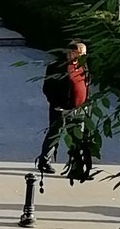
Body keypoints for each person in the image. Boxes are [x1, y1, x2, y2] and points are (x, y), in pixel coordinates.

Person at [39, 41, 91, 176]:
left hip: (79, 109)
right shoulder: (56, 67)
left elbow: (86, 83)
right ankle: (44, 161)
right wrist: (56, 104)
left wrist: (87, 101)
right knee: (55, 134)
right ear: (71, 53)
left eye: (84, 54)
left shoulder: (83, 66)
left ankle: (76, 167)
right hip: (61, 109)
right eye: (80, 54)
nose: (83, 57)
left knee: (78, 138)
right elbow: (47, 87)